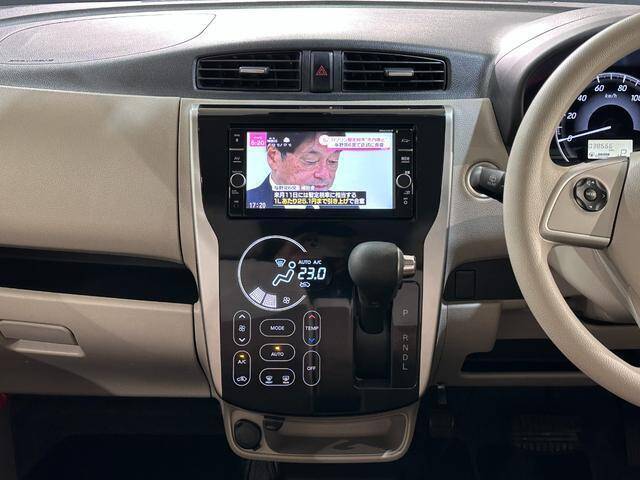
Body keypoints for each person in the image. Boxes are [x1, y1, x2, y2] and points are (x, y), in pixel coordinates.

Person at [247, 131, 344, 208]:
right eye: (311, 161)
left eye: (333, 161)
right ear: (273, 157)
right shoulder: (248, 201)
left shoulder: (344, 205)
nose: (325, 175)